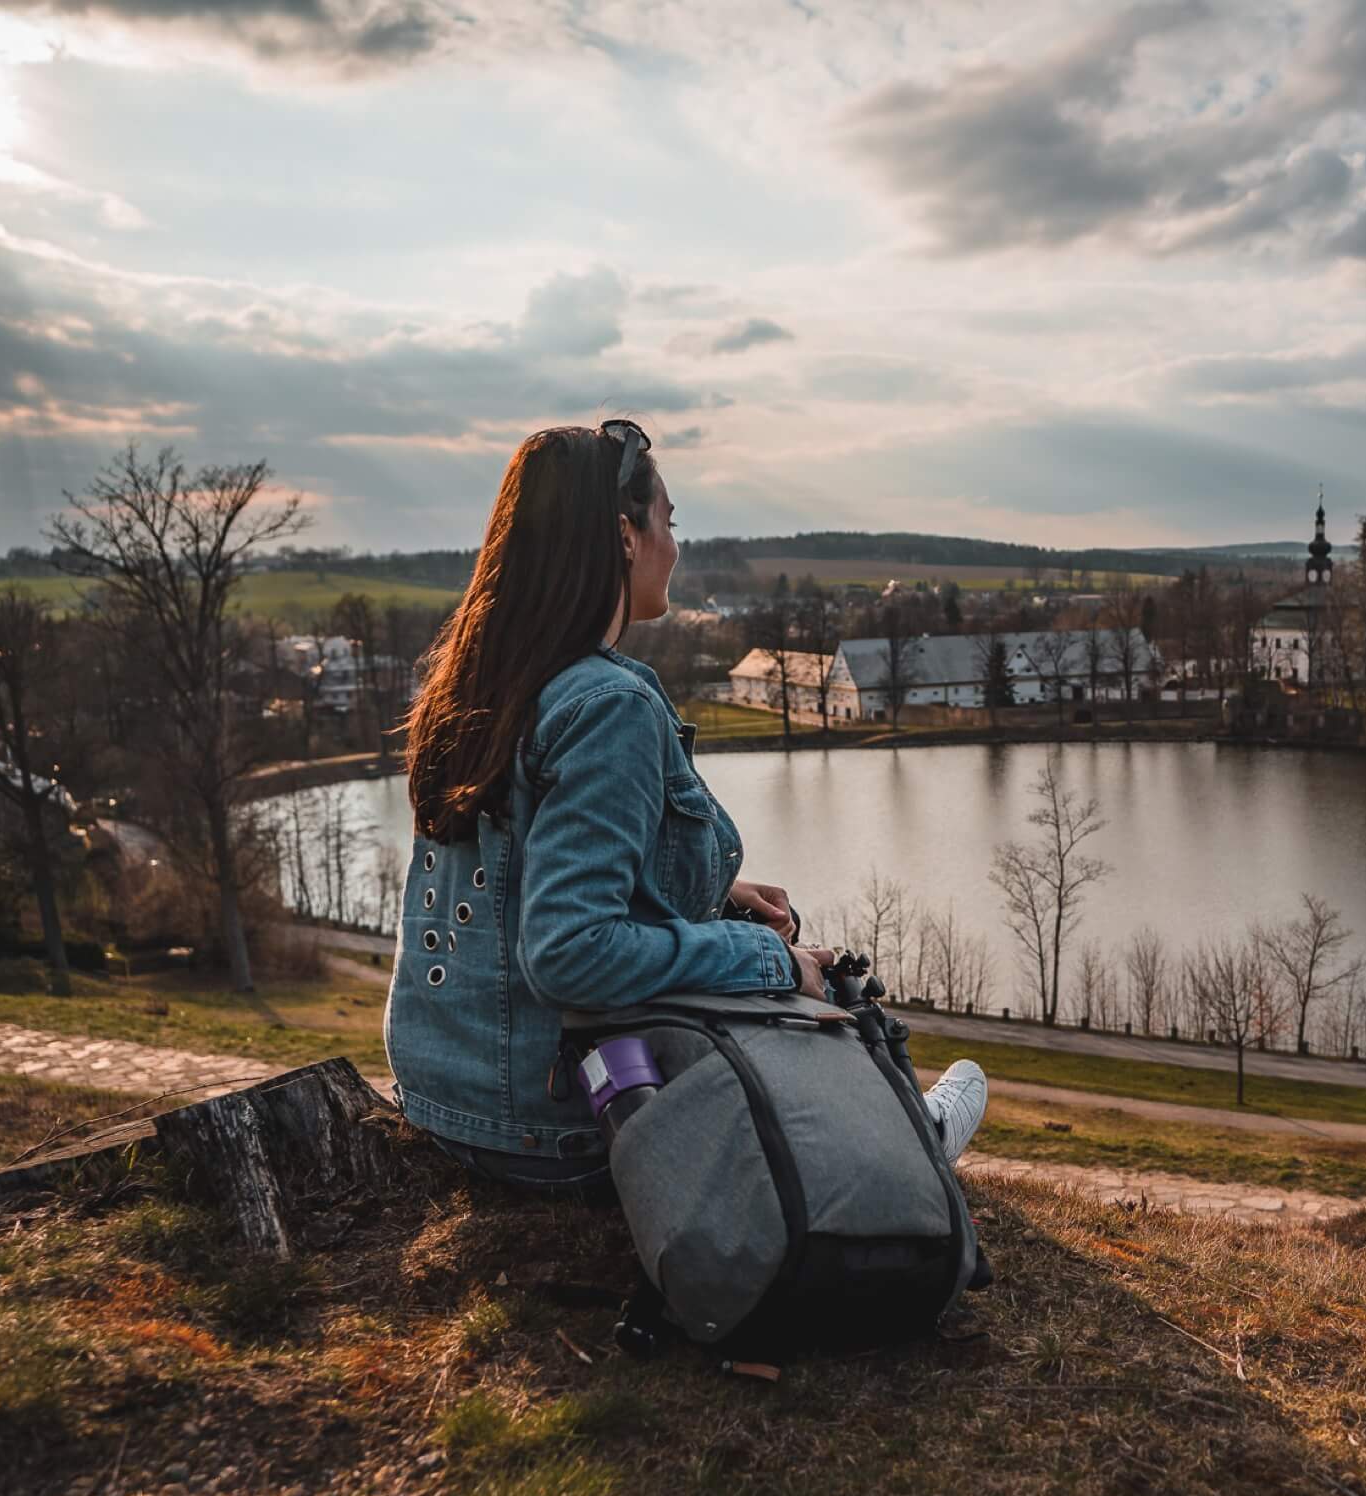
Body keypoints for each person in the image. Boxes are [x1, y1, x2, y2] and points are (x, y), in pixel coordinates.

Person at [384, 421, 988, 1195]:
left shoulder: (477, 683)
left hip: (444, 1103)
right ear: (624, 537)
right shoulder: (609, 704)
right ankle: (905, 1139)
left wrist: (722, 895)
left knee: (755, 955)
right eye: (669, 522)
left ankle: (889, 1118)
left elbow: (518, 873)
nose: (675, 545)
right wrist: (768, 960)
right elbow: (571, 951)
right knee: (801, 977)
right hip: (555, 1130)